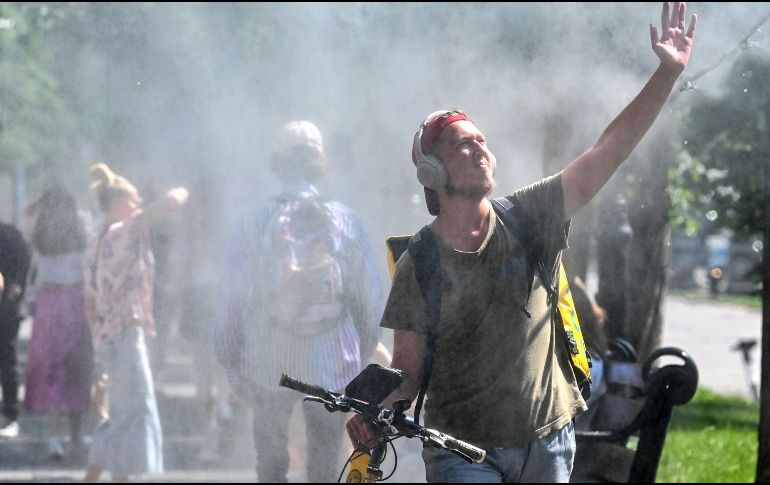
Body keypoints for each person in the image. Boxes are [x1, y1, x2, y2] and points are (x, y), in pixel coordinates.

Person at [346, 3, 696, 482]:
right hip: (461, 451)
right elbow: (408, 368)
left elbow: (608, 150)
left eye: (481, 140)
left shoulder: (531, 214)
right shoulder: (420, 261)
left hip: (548, 443)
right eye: (462, 144)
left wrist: (666, 74)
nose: (480, 149)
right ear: (432, 172)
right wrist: (375, 410)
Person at [215, 120, 383, 482]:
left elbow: (231, 302)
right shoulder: (346, 221)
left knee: (272, 463)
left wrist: (233, 366)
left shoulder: (251, 221)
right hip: (332, 358)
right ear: (319, 162)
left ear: (277, 162)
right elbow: (368, 301)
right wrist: (362, 353)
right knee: (323, 463)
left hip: (268, 359)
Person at [83, 163, 189, 482]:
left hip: (107, 336)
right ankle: (118, 478)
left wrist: (96, 345)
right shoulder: (124, 230)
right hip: (126, 334)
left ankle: (98, 478)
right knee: (134, 412)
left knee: (120, 414)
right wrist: (185, 190)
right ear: (117, 203)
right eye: (133, 198)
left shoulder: (95, 239)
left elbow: (88, 300)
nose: (139, 203)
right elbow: (172, 203)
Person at [23, 186, 94, 459]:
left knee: (52, 372)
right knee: (78, 370)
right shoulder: (81, 230)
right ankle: (76, 435)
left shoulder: (40, 232)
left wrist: (38, 203)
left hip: (48, 304)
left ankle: (55, 439)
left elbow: (26, 216)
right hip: (76, 302)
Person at [0, 221, 31, 439]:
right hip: (9, 307)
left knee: (7, 360)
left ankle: (10, 414)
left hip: (6, 309)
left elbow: (23, 267)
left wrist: (16, 286)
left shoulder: (10, 236)